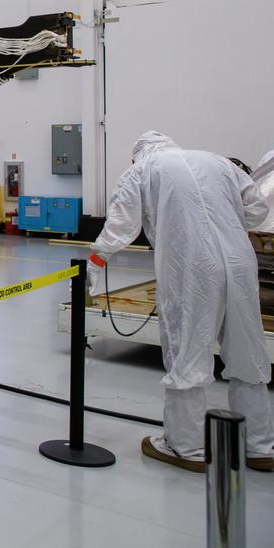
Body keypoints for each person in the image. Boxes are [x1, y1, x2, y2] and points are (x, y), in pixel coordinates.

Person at [88, 131, 273, 472]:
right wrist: (226, 223)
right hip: (240, 262)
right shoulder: (218, 161)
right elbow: (259, 208)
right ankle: (260, 446)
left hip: (191, 266)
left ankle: (186, 446)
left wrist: (93, 267)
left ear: (136, 155)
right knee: (249, 351)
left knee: (187, 351)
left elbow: (120, 226)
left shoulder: (142, 170)